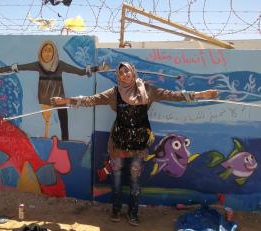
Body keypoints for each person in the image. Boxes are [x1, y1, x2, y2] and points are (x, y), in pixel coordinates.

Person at [50, 61, 218, 226]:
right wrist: (66, 101)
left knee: (135, 180)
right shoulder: (114, 93)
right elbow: (91, 100)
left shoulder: (148, 91)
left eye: (127, 71)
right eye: (121, 72)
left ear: (133, 72)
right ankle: (115, 210)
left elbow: (172, 95)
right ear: (118, 76)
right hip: (118, 144)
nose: (124, 75)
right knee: (115, 179)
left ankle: (133, 213)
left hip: (139, 144)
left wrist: (200, 95)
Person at [0, 40, 100, 140]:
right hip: (44, 98)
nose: (47, 53)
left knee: (63, 121)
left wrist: (98, 68)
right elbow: (20, 67)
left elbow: (80, 72)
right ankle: (45, 140)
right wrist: (0, 70)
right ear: (40, 52)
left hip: (59, 98)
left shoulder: (60, 64)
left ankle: (66, 142)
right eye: (45, 51)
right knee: (45, 122)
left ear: (54, 53)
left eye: (49, 51)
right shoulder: (38, 65)